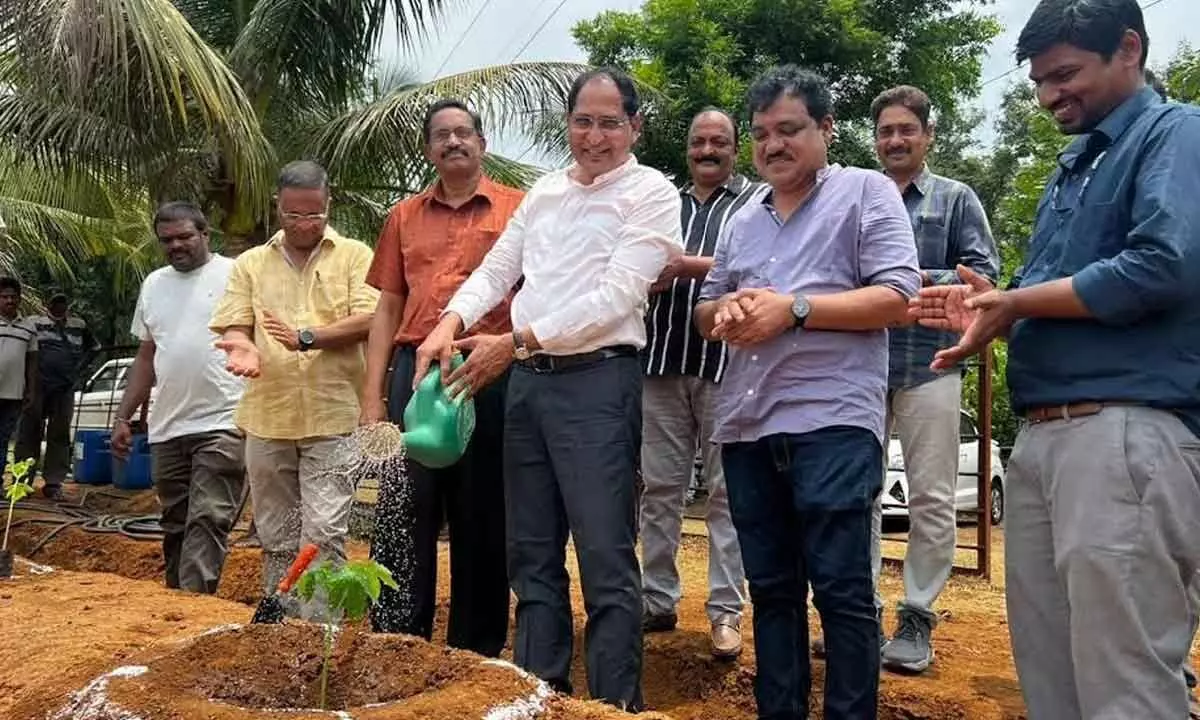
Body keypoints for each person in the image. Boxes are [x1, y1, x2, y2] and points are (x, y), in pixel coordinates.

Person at [911, 1, 1200, 717]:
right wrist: (996, 315)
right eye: (1039, 81)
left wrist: (1018, 303)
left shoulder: (1177, 134)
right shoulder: (1079, 162)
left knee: (1124, 684)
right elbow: (1062, 301)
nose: (1048, 96)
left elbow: (1164, 265)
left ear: (1129, 48)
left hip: (1124, 431)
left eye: (1065, 74)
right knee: (1052, 680)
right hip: (1047, 437)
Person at [414, 67, 682, 711]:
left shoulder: (650, 193)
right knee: (530, 555)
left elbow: (616, 297)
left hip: (597, 385)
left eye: (610, 122)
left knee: (605, 560)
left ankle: (614, 704)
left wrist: (517, 341)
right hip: (529, 390)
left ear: (635, 126)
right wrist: (449, 321)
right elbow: (499, 267)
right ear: (568, 124)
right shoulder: (546, 191)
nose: (595, 137)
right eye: (583, 122)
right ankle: (541, 694)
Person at [694, 65, 920, 719]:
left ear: (825, 128)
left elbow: (898, 297)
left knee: (844, 593)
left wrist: (793, 309)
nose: (773, 146)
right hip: (746, 426)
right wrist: (729, 312)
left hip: (833, 422)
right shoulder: (744, 221)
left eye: (789, 129)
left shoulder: (866, 193)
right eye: (761, 134)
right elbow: (705, 314)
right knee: (770, 591)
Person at [360, 99, 523, 656]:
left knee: (484, 513)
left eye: (462, 133)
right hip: (416, 371)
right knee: (404, 509)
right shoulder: (403, 216)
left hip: (487, 372)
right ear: (429, 149)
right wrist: (372, 399)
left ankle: (473, 652)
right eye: (440, 135)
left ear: (482, 142)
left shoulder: (518, 210)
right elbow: (387, 308)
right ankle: (396, 643)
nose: (452, 142)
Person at [863, 85, 999, 673]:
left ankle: (917, 614)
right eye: (886, 131)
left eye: (906, 130)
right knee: (857, 492)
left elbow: (982, 276)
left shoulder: (956, 198)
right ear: (875, 139)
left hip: (932, 363)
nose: (895, 140)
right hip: (861, 365)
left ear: (928, 135)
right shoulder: (859, 199)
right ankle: (858, 612)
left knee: (934, 496)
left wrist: (900, 281)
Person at [210, 161, 379, 612]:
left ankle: (320, 634)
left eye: (313, 215)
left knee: (324, 533)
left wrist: (308, 338)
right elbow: (234, 325)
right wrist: (242, 347)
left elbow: (371, 318)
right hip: (268, 416)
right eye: (292, 216)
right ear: (277, 208)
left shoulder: (355, 256)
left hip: (333, 416)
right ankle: (280, 625)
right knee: (276, 533)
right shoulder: (251, 263)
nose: (304, 225)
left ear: (328, 204)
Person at [640, 107, 757, 659]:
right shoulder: (665, 202)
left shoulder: (754, 204)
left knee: (726, 496)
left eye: (719, 142)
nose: (707, 151)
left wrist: (683, 267)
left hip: (726, 369)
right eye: (698, 142)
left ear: (735, 148)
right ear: (687, 148)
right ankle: (656, 598)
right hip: (660, 364)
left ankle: (726, 612)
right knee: (659, 490)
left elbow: (756, 265)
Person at [110, 202, 245, 594]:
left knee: (209, 516)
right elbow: (146, 356)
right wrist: (123, 416)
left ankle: (193, 604)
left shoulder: (235, 274)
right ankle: (176, 607)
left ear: (205, 234)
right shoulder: (154, 284)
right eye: (167, 240)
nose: (176, 245)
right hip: (168, 426)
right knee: (175, 521)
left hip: (224, 419)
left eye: (185, 236)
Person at [16, 292, 98, 500]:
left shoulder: (78, 325)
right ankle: (23, 480)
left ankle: (53, 482)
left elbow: (94, 348)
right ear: (47, 304)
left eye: (62, 301)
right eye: (55, 302)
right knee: (29, 431)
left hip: (64, 386)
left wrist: (79, 371)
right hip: (38, 384)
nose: (59, 305)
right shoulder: (34, 323)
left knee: (59, 433)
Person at [0, 277, 37, 463]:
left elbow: (32, 361)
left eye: (13, 297)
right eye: (4, 297)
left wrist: (30, 389)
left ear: (19, 299)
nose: (9, 301)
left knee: (3, 439)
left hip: (13, 395)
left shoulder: (28, 328)